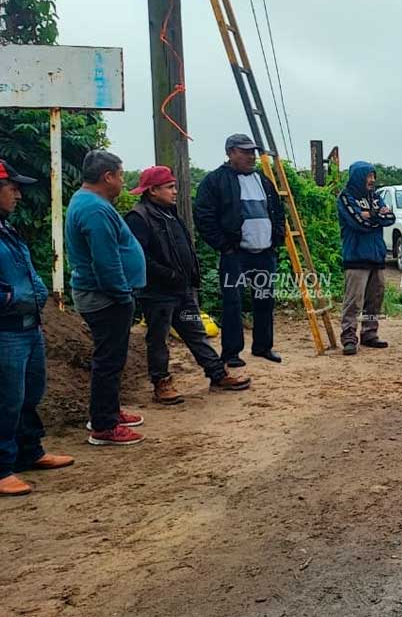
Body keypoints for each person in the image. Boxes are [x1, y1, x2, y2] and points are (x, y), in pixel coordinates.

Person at [124, 166, 251, 402]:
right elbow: (139, 258)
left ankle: (217, 374)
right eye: (170, 187)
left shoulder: (169, 213)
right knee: (158, 339)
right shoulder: (138, 218)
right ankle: (161, 383)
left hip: (181, 292)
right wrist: (169, 275)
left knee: (196, 332)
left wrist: (188, 276)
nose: (175, 192)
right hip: (157, 295)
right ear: (153, 190)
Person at [0, 160, 73, 495]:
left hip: (28, 328)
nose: (18, 195)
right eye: (12, 188)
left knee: (29, 394)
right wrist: (12, 298)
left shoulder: (7, 229)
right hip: (6, 328)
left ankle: (30, 451)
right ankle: (2, 468)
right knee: (6, 399)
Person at [65, 150, 147, 446]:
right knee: (109, 361)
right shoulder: (94, 209)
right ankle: (104, 425)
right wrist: (122, 294)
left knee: (111, 358)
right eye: (121, 175)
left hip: (104, 295)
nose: (123, 182)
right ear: (107, 176)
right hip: (105, 298)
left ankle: (108, 412)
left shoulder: (88, 202)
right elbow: (105, 261)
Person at [194, 133, 286, 366]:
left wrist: (276, 239)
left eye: (252, 152)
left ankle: (263, 346)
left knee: (264, 300)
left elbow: (277, 210)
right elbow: (204, 216)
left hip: (264, 252)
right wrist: (224, 246)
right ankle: (231, 353)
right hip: (235, 254)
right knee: (233, 303)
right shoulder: (215, 181)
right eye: (245, 152)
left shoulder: (262, 180)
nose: (251, 156)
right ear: (230, 153)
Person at [336, 161, 395, 355]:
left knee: (375, 299)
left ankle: (370, 333)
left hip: (376, 256)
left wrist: (370, 215)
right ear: (359, 177)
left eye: (373, 176)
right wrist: (377, 217)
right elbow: (357, 222)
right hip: (356, 257)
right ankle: (348, 337)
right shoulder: (346, 197)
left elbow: (390, 218)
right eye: (369, 176)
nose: (372, 180)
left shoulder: (375, 196)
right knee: (354, 301)